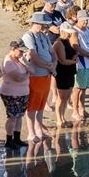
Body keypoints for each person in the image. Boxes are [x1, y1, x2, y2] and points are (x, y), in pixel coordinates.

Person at [22, 12, 58, 143]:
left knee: (41, 105)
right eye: (44, 25)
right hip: (35, 76)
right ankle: (31, 132)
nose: (46, 27)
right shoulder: (28, 36)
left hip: (46, 75)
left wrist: (54, 63)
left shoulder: (44, 36)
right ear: (37, 24)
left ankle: (39, 129)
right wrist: (49, 66)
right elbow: (33, 56)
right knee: (32, 106)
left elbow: (52, 52)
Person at [1, 40, 32, 149]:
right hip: (11, 93)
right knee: (12, 117)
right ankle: (9, 140)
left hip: (23, 93)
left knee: (19, 116)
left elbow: (32, 70)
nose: (22, 53)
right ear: (13, 50)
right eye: (20, 51)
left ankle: (17, 138)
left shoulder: (20, 59)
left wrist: (26, 65)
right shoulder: (8, 61)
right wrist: (27, 73)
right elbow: (18, 78)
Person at [72, 10, 89, 121]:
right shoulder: (74, 31)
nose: (86, 23)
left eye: (87, 20)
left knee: (84, 88)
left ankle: (83, 109)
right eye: (84, 20)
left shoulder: (87, 29)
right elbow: (76, 47)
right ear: (78, 19)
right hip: (82, 63)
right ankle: (75, 111)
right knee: (77, 89)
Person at [52, 22, 78, 126]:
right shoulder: (58, 43)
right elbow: (62, 60)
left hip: (70, 71)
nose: (69, 35)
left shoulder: (67, 41)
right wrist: (74, 61)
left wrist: (74, 56)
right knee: (61, 98)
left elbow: (71, 54)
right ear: (62, 31)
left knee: (66, 97)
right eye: (68, 33)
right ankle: (59, 119)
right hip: (62, 71)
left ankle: (63, 118)